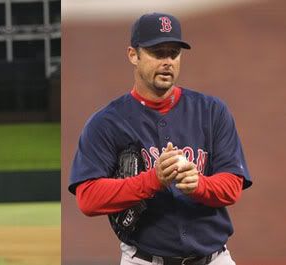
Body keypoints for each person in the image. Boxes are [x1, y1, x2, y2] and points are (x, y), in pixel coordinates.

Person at [69, 12, 252, 265]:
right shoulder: (106, 122)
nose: (167, 61)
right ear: (133, 55)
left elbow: (233, 184)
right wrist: (153, 180)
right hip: (143, 259)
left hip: (214, 258)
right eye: (157, 52)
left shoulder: (211, 111)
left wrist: (199, 185)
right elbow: (87, 198)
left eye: (173, 53)